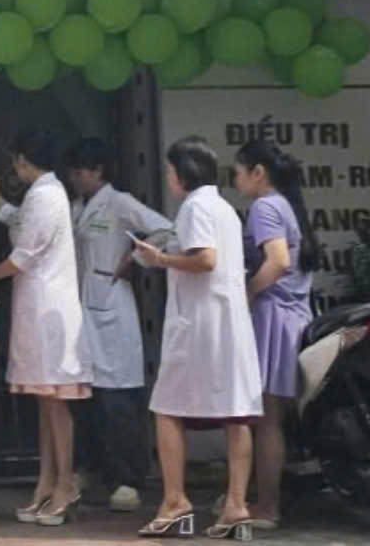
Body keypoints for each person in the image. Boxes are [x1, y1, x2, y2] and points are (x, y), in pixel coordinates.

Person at [132, 136, 262, 540]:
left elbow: (205, 259)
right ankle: (236, 505)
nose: (168, 177)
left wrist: (158, 259)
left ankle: (175, 501)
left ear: (182, 173)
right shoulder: (224, 208)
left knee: (167, 407)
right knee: (235, 414)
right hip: (229, 324)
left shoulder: (194, 207)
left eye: (170, 170)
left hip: (200, 326)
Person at [0, 128, 92, 528]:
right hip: (39, 309)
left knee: (56, 403)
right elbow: (17, 221)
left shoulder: (45, 196)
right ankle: (47, 482)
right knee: (46, 403)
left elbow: (24, 254)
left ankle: (65, 484)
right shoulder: (42, 194)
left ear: (24, 160)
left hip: (48, 312)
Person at [63, 138, 175, 514]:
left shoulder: (120, 202)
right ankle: (91, 469)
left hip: (111, 303)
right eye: (72, 172)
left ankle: (127, 479)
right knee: (87, 398)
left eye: (81, 171)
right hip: (82, 305)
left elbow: (165, 231)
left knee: (118, 399)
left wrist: (134, 260)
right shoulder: (76, 206)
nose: (76, 178)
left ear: (99, 170)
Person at [233, 139, 321, 532]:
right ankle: (265, 499)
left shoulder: (265, 207)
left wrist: (247, 293)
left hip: (273, 318)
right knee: (275, 418)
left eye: (239, 172)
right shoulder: (287, 204)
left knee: (267, 420)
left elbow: (279, 261)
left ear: (258, 173)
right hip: (294, 316)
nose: (236, 181)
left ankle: (267, 507)